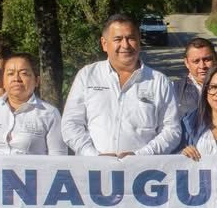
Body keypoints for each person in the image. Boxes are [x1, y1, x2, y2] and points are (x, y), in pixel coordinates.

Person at [62, 13, 180, 157]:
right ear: (104, 44)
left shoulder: (160, 82)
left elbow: (172, 130)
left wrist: (140, 156)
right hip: (93, 172)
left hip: (142, 172)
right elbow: (71, 124)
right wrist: (93, 156)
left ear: (139, 41)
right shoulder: (87, 75)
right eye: (118, 39)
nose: (125, 45)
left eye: (131, 38)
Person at [0, 53, 66, 158]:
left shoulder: (49, 113)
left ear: (37, 81)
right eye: (10, 74)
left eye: (24, 73)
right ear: (3, 81)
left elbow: (58, 160)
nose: (16, 78)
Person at [174, 37, 217, 117]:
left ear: (215, 59)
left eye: (207, 60)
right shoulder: (174, 90)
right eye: (196, 61)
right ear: (187, 63)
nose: (202, 66)